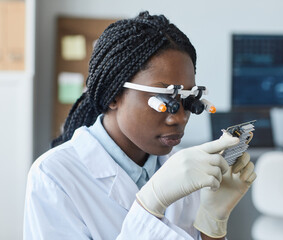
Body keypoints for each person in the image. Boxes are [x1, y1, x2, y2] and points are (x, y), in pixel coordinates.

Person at [23, 11, 256, 240]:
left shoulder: (184, 169)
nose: (180, 118)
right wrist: (150, 204)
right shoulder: (54, 177)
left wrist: (212, 224)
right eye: (165, 100)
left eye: (188, 101)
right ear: (114, 95)